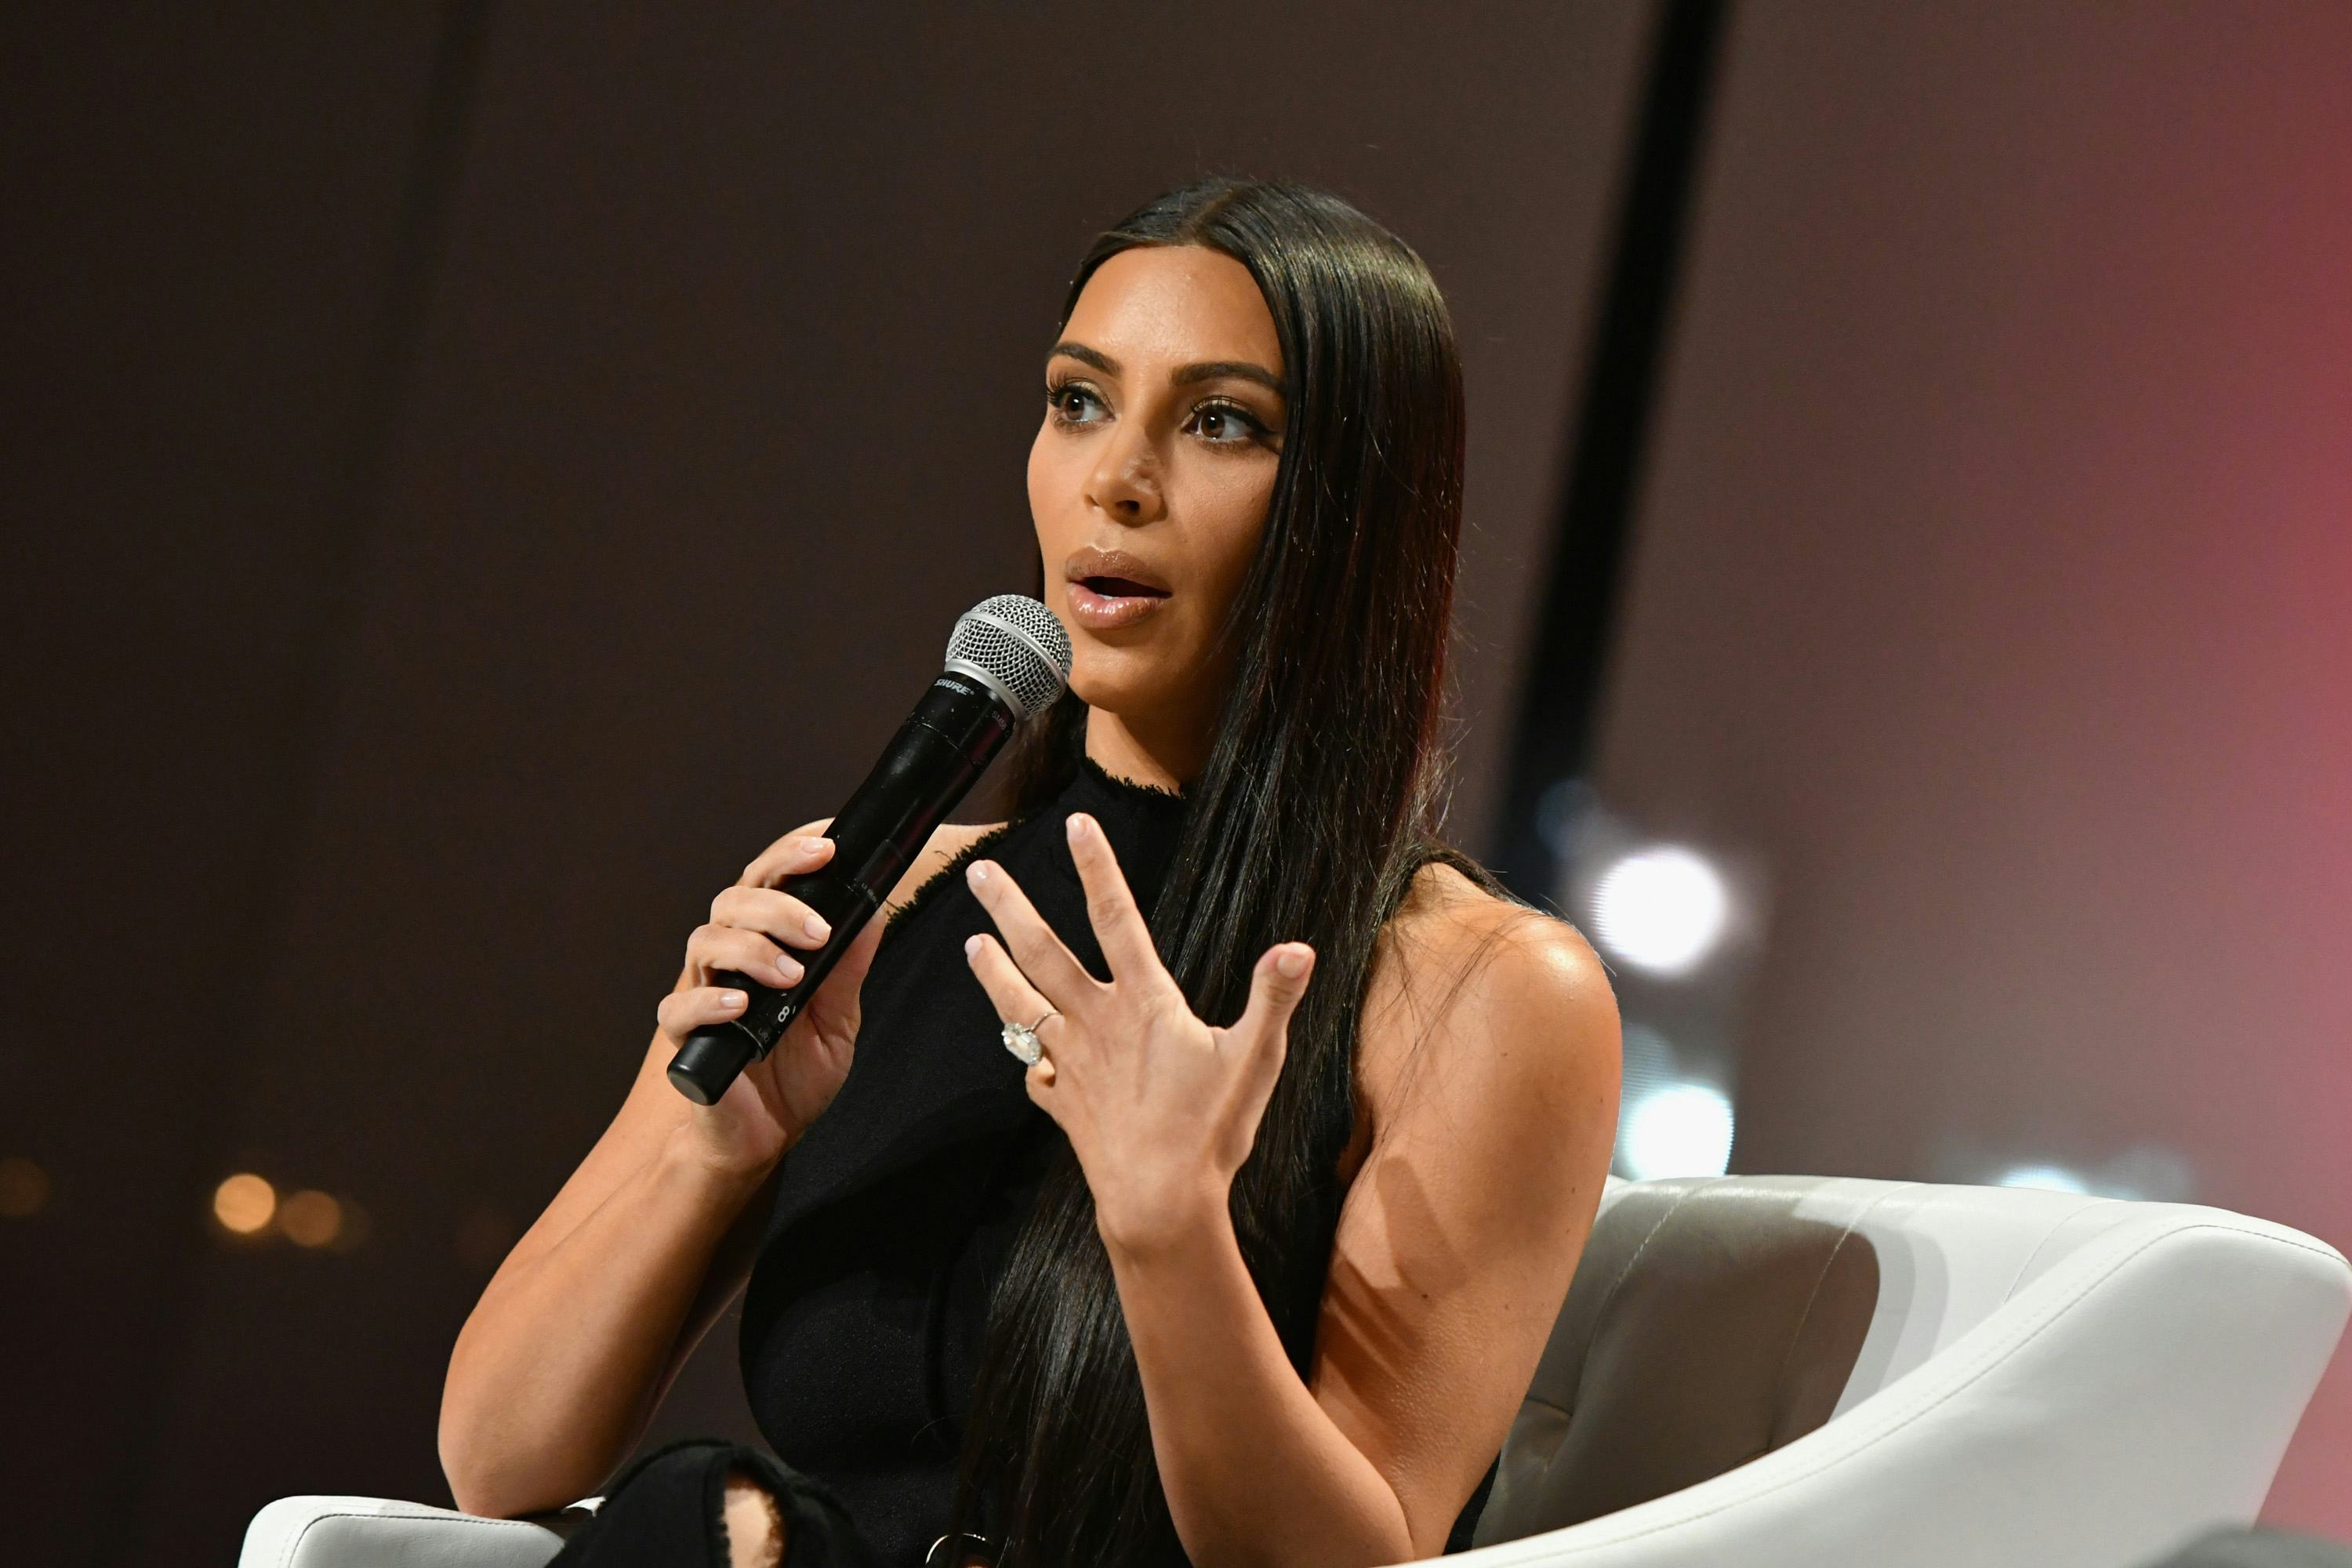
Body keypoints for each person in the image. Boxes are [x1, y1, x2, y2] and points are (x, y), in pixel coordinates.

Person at [438, 177, 1622, 1568]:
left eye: (1221, 422)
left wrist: (1170, 1231)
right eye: (1078, 401)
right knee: (697, 1518)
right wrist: (713, 1147)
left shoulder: (1481, 991)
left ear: (1355, 511)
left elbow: (1359, 1556)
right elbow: (497, 1454)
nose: (1116, 478)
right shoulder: (888, 899)